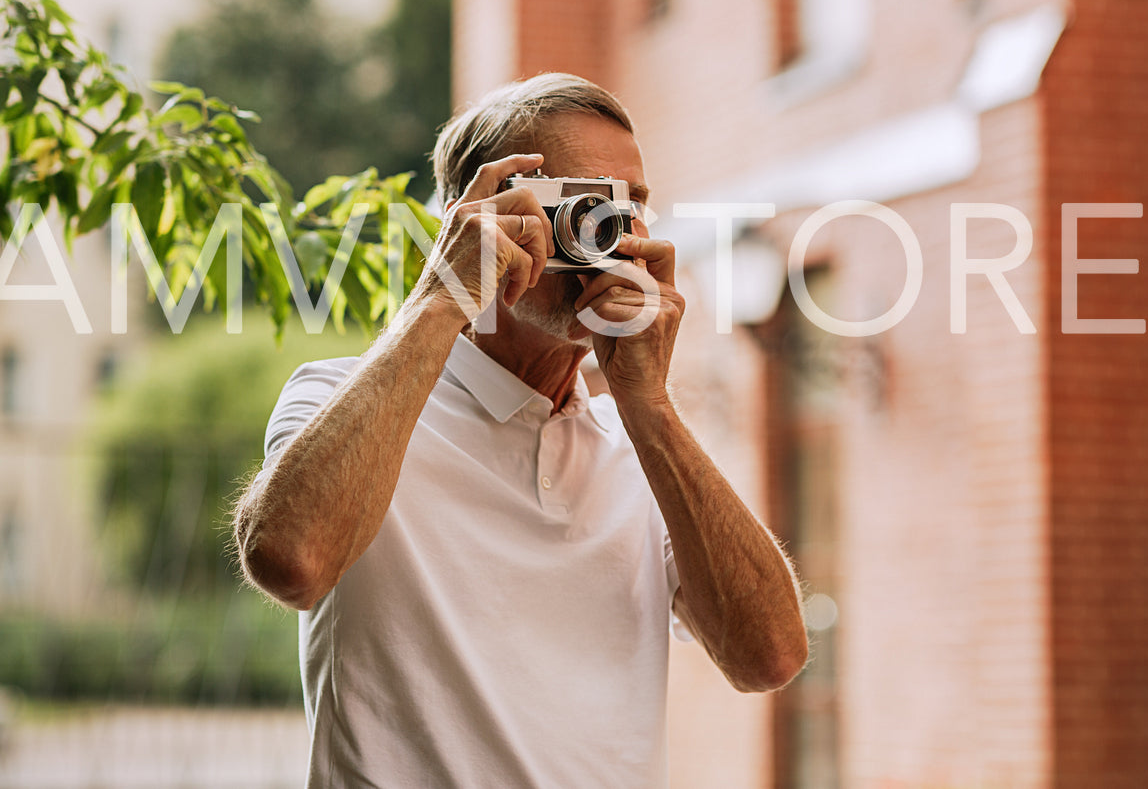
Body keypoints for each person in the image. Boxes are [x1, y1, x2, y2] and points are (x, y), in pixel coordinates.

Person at [232, 73, 808, 787]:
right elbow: (290, 559)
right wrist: (442, 297)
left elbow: (770, 657)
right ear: (474, 218)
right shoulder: (341, 399)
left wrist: (648, 405)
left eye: (629, 207)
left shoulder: (640, 448)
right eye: (578, 202)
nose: (612, 234)